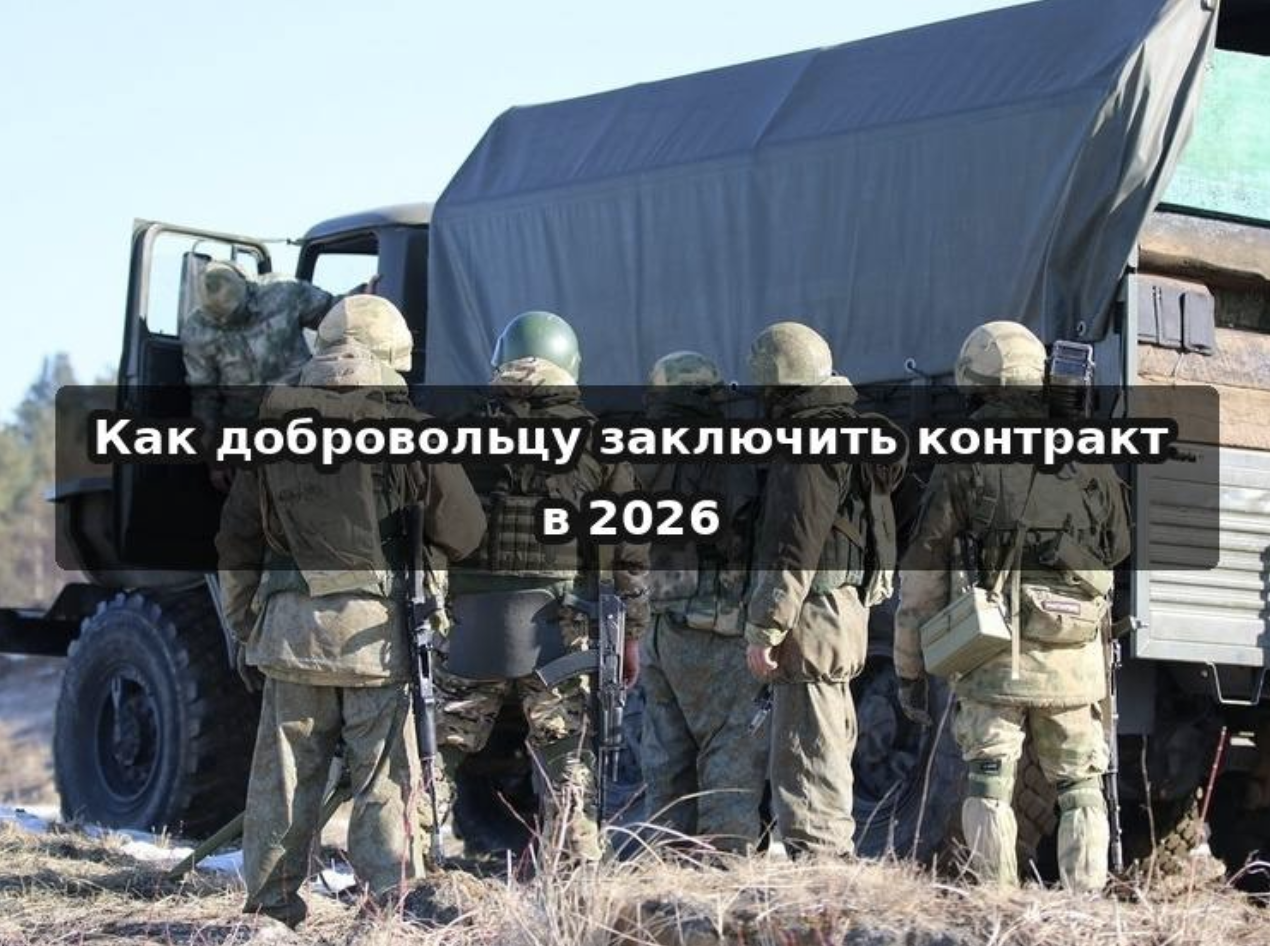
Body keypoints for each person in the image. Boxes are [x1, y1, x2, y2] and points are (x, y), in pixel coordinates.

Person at [215, 295, 485, 928]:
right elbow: (466, 531)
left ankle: (268, 914)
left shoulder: (273, 428)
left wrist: (246, 626)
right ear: (392, 354)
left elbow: (236, 542)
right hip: (379, 638)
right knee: (384, 782)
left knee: (284, 783)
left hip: (290, 636)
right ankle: (389, 909)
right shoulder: (413, 430)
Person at [893, 320, 1129, 892]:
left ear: (975, 380)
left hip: (994, 652)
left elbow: (923, 574)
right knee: (1081, 786)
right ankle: (1083, 908)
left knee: (989, 778)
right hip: (1074, 654)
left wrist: (909, 666)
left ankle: (997, 901)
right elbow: (1119, 546)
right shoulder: (1085, 451)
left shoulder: (964, 456)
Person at [427, 309, 650, 863]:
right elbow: (628, 552)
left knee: (437, 752)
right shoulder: (600, 443)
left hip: (468, 626)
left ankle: (401, 863)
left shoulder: (454, 433)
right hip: (560, 632)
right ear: (571, 365)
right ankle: (575, 873)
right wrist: (631, 635)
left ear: (500, 361)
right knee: (568, 755)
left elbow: (424, 531)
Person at [742, 322, 903, 857]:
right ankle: (829, 862)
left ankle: (823, 873)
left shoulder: (809, 445)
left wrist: (765, 628)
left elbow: (793, 544)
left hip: (810, 617)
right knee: (829, 740)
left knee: (808, 755)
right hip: (844, 610)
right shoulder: (853, 434)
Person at [637, 351, 768, 854]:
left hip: (657, 626)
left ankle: (664, 864)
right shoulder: (730, 454)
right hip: (718, 628)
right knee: (728, 756)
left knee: (666, 758)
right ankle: (722, 876)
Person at [181, 261, 356, 489]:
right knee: (251, 503)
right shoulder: (196, 330)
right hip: (247, 432)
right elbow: (205, 396)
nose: (225, 322)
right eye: (219, 319)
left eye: (234, 314)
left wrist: (366, 296)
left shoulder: (283, 292)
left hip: (302, 416)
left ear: (246, 287)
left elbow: (334, 314)